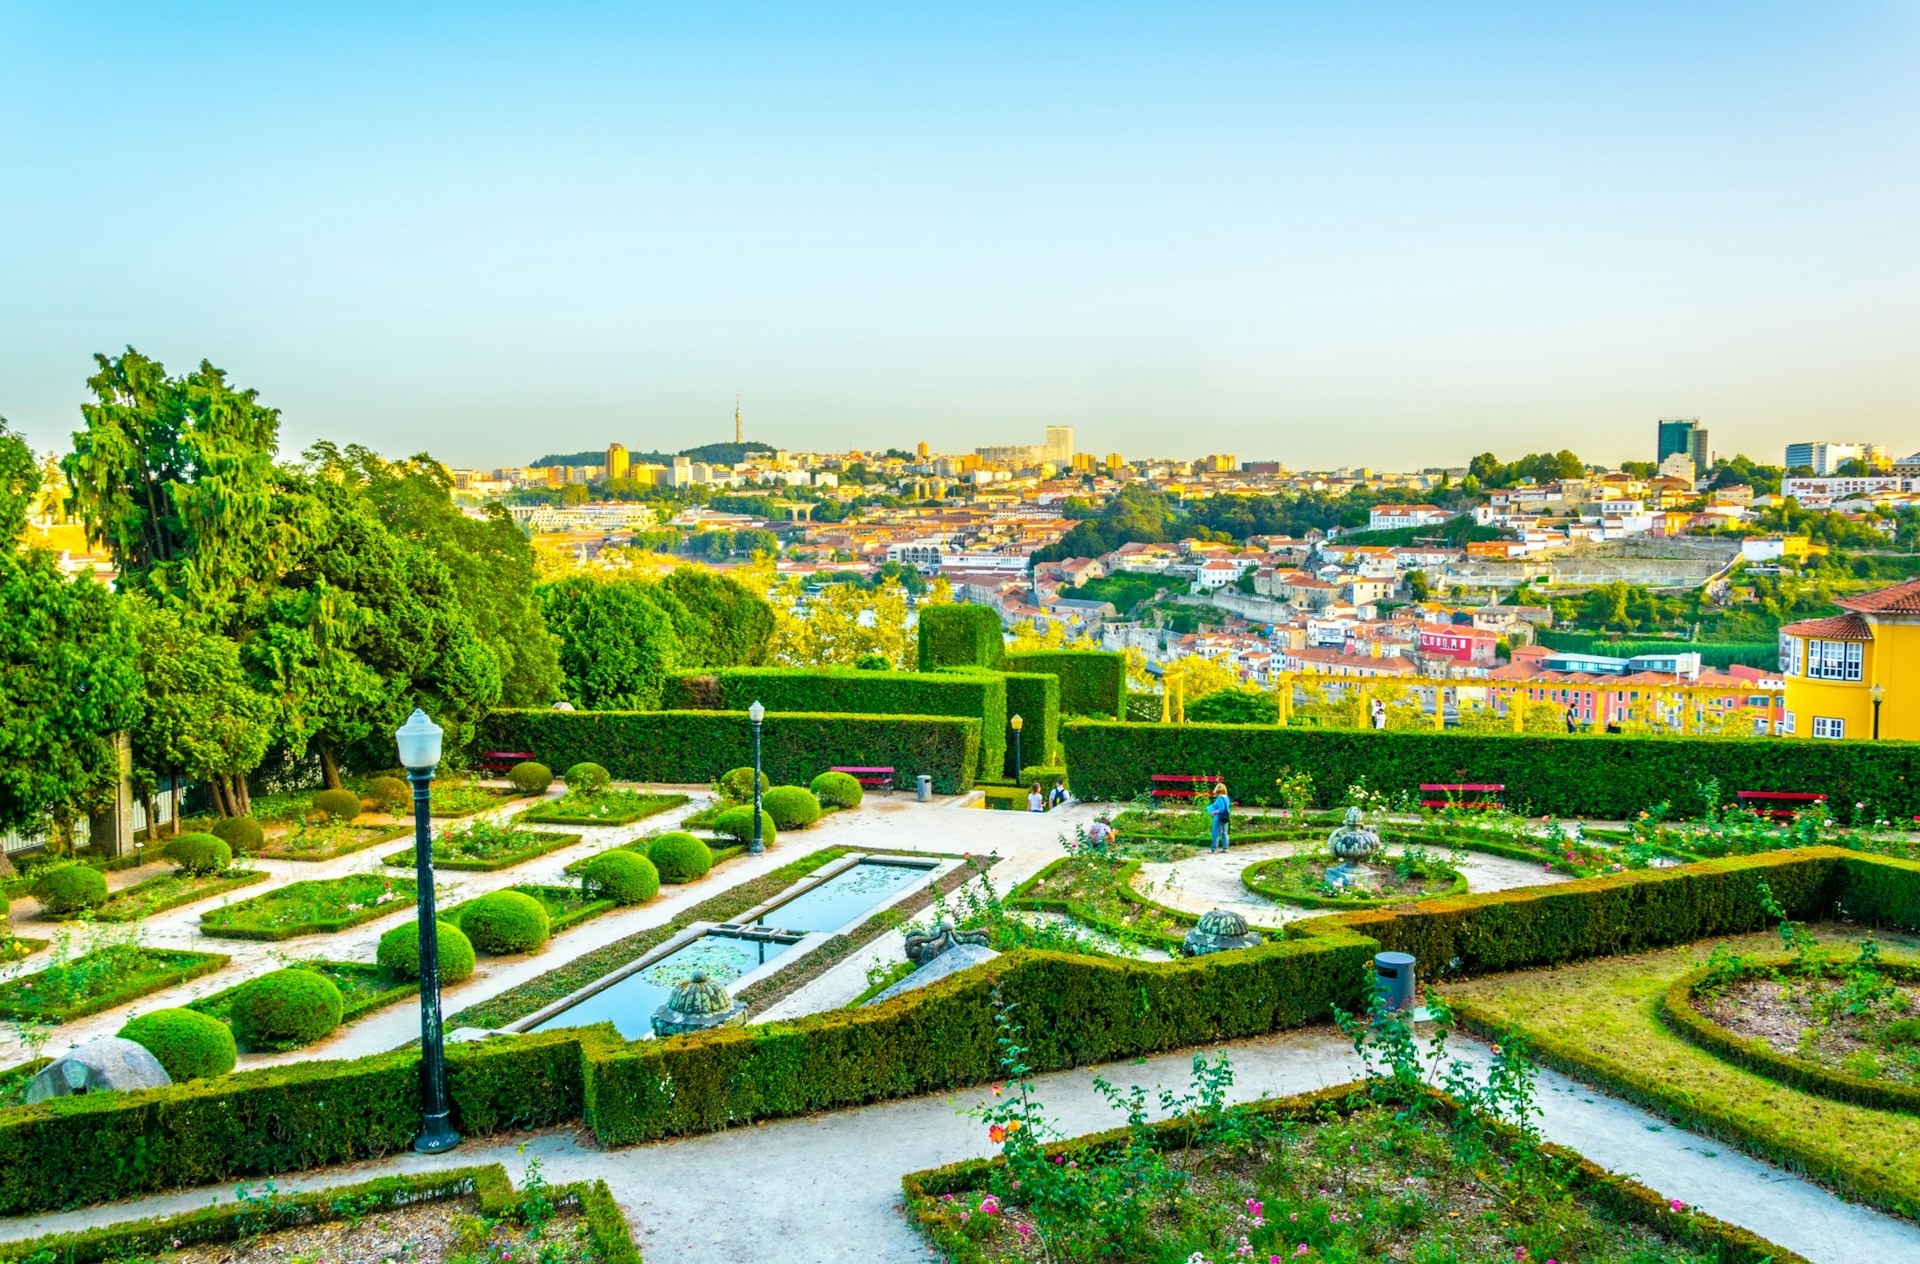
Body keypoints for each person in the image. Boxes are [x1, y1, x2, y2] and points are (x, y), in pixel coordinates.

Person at [1208, 782, 1231, 852]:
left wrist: (1213, 812)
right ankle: (1225, 848)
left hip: (1218, 818)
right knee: (1224, 833)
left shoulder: (1220, 798)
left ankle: (1213, 849)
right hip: (1225, 817)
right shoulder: (1226, 797)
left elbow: (1221, 809)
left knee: (1215, 833)